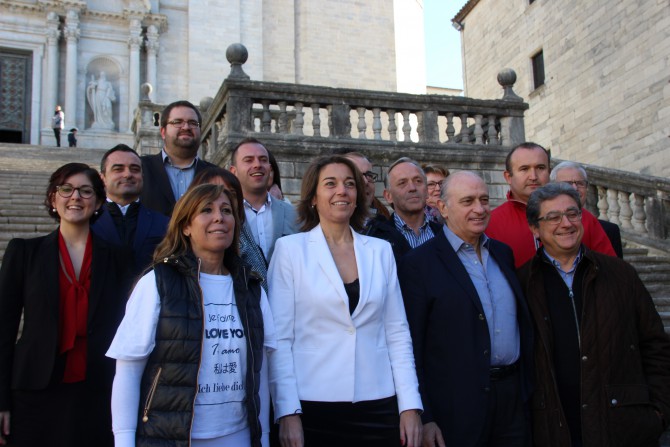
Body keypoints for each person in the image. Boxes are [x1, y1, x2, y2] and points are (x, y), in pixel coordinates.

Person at [268, 155, 423, 447]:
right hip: (312, 403)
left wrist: (409, 405)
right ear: (313, 196)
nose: (342, 191)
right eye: (331, 184)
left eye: (350, 184)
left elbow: (397, 334)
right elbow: (280, 339)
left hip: (378, 401)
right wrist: (287, 411)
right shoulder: (290, 250)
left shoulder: (380, 251)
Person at [107, 184, 276, 447]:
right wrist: (124, 441)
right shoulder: (157, 283)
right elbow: (128, 370)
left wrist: (263, 436)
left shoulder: (252, 287)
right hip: (171, 436)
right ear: (186, 226)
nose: (219, 217)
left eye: (227, 210)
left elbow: (260, 371)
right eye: (206, 210)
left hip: (238, 435)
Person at [518, 183, 670, 447]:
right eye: (553, 217)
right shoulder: (522, 282)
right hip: (554, 429)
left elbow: (655, 345)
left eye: (572, 214)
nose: (566, 223)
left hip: (624, 428)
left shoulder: (621, 275)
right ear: (535, 228)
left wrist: (659, 412)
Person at [0, 163, 132, 446]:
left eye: (86, 191)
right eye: (66, 189)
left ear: (98, 202)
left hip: (98, 390)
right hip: (34, 390)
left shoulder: (118, 259)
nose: (75, 197)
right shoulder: (23, 252)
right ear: (53, 198)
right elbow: (4, 328)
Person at [398, 171, 533, 447]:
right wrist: (426, 416)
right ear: (443, 208)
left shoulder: (503, 254)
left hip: (513, 401)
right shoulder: (418, 264)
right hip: (456, 408)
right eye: (468, 201)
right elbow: (412, 347)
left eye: (484, 200)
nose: (480, 209)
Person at [487, 142, 615, 267]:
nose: (533, 176)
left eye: (540, 168)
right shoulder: (491, 223)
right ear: (508, 177)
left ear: (549, 172)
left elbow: (610, 268)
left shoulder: (580, 217)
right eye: (524, 169)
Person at [92, 144, 169, 278]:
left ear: (142, 176)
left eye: (134, 169)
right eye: (118, 169)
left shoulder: (164, 223)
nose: (127, 174)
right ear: (102, 178)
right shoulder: (87, 222)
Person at [190, 166, 269, 293]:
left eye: (231, 194)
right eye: (213, 192)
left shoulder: (251, 247)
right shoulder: (167, 274)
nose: (223, 198)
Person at [140, 100, 215, 216]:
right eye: (177, 122)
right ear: (163, 132)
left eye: (193, 123)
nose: (186, 127)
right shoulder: (141, 169)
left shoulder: (215, 174)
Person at [229, 138, 297, 262]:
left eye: (263, 160)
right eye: (248, 160)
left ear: (270, 168)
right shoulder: (226, 214)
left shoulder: (293, 213)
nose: (257, 165)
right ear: (233, 171)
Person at [340, 151, 408, 264]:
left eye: (369, 175)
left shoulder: (391, 236)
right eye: (356, 175)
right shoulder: (308, 233)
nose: (365, 181)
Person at [550, 160, 623, 258]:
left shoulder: (609, 231)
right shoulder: (544, 228)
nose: (575, 188)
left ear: (587, 188)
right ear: (552, 188)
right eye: (567, 183)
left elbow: (617, 271)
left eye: (580, 183)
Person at [383, 157, 442, 251]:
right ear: (388, 196)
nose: (412, 188)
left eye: (418, 181)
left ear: (426, 191)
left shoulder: (445, 235)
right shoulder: (377, 238)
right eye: (402, 183)